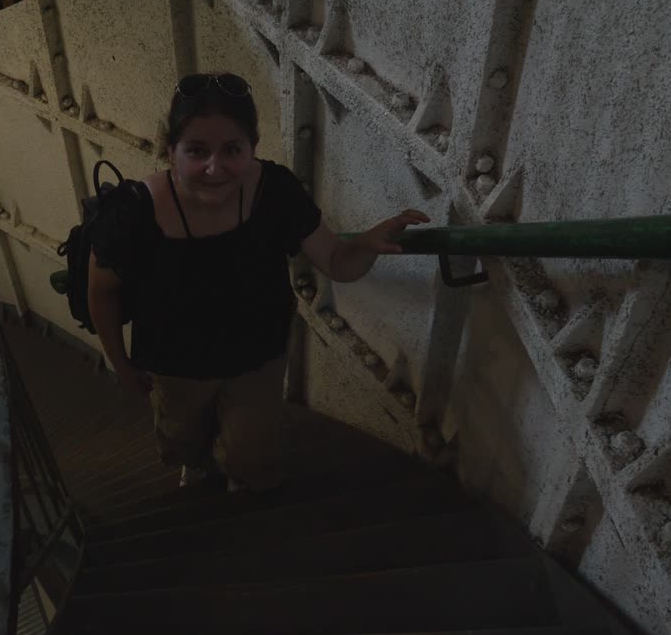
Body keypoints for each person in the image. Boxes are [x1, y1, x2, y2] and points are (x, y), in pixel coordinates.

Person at [87, 72, 427, 493]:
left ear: (252, 148)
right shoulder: (132, 213)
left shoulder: (275, 191)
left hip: (257, 359)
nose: (215, 167)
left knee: (252, 455)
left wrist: (370, 242)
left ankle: (242, 485)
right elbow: (102, 291)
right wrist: (120, 363)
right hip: (177, 367)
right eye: (196, 151)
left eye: (232, 149)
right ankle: (196, 469)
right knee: (183, 437)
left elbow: (337, 260)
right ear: (169, 151)